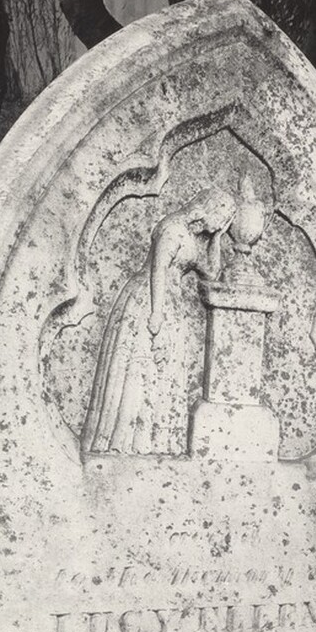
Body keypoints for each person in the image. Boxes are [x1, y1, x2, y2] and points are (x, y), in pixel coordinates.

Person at [82, 187, 237, 455]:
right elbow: (159, 271)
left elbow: (211, 273)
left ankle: (152, 442)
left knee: (162, 371)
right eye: (222, 217)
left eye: (226, 222)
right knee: (140, 367)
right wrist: (156, 315)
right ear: (209, 207)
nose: (222, 224)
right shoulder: (172, 228)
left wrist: (218, 239)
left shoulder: (192, 236)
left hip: (171, 302)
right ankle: (123, 441)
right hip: (150, 298)